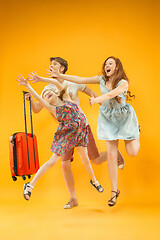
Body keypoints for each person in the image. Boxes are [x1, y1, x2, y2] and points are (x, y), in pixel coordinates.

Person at [26, 57, 124, 209]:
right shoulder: (47, 89)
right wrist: (31, 98)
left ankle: (114, 154)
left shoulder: (71, 83)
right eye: (50, 64)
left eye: (54, 65)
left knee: (95, 159)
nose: (51, 66)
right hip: (65, 131)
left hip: (81, 126)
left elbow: (89, 90)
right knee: (64, 163)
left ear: (62, 69)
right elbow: (38, 108)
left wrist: (100, 101)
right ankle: (73, 198)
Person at [50, 56, 140, 206]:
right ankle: (114, 192)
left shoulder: (123, 83)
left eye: (110, 63)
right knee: (111, 155)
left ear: (117, 67)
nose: (107, 66)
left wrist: (97, 100)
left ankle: (136, 131)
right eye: (105, 64)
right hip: (109, 119)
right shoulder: (101, 79)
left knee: (132, 152)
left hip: (124, 119)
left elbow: (112, 94)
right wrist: (60, 76)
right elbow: (79, 79)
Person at [16, 74, 104, 203]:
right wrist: (27, 85)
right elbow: (37, 98)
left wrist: (41, 79)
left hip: (79, 132)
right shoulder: (53, 109)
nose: (47, 94)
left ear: (57, 93)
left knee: (85, 157)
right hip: (67, 136)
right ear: (45, 101)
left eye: (49, 92)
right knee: (53, 161)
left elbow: (56, 84)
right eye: (45, 95)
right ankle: (30, 185)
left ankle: (94, 181)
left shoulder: (68, 98)